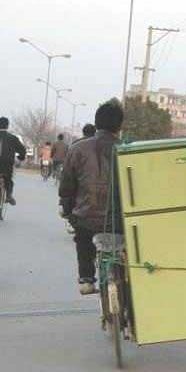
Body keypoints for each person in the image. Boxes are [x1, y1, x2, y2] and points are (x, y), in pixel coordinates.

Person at [59, 101, 124, 295]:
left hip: (87, 218)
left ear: (96, 123)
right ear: (120, 126)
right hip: (120, 221)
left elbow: (67, 186)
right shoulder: (127, 149)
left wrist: (69, 211)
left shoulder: (78, 148)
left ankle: (86, 278)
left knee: (83, 239)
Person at [0, 117, 26, 205]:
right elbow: (22, 150)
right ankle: (8, 195)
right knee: (8, 179)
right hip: (7, 164)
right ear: (7, 126)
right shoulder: (13, 138)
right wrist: (21, 157)